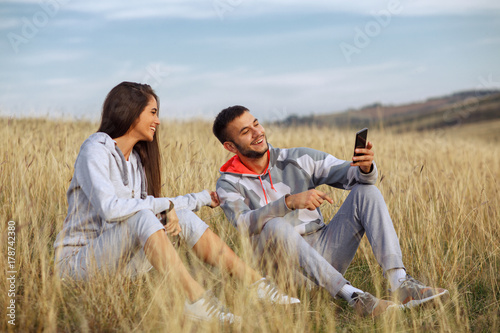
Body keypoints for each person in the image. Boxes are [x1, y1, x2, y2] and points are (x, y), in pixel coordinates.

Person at [53, 83, 299, 325]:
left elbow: (146, 204)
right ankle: (196, 300)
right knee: (146, 216)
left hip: (119, 265)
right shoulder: (95, 149)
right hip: (78, 266)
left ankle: (256, 284)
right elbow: (110, 209)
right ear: (130, 111)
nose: (158, 121)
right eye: (152, 112)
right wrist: (166, 208)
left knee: (182, 216)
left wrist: (200, 198)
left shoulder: (136, 160)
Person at [212, 105, 449, 318]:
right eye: (246, 131)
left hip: (326, 250)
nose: (257, 132)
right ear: (230, 146)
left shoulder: (297, 158)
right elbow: (243, 223)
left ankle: (400, 283)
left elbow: (350, 175)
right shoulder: (227, 184)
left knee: (367, 191)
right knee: (274, 225)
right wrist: (288, 202)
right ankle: (354, 296)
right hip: (284, 272)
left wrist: (364, 167)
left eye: (256, 123)